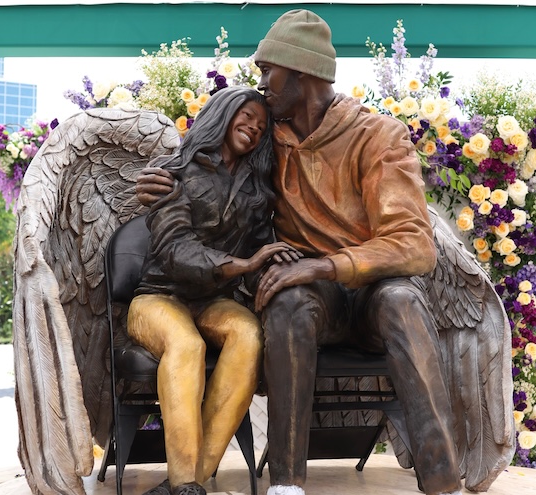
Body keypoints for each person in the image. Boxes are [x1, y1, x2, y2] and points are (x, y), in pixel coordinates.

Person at [136, 10, 463, 495]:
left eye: (268, 71)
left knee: (403, 300)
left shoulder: (379, 137)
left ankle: (444, 484)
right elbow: (209, 162)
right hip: (312, 298)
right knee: (287, 301)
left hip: (374, 293)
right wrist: (165, 177)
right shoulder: (269, 143)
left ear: (301, 73)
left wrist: (325, 263)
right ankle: (286, 485)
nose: (261, 83)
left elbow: (414, 244)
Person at [129, 86, 300, 495]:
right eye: (247, 117)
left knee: (249, 334)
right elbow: (174, 250)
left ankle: (189, 484)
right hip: (157, 295)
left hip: (212, 300)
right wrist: (241, 266)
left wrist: (276, 274)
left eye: (261, 127)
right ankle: (187, 482)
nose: (254, 128)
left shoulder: (257, 192)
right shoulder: (173, 171)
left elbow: (261, 249)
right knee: (186, 344)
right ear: (223, 113)